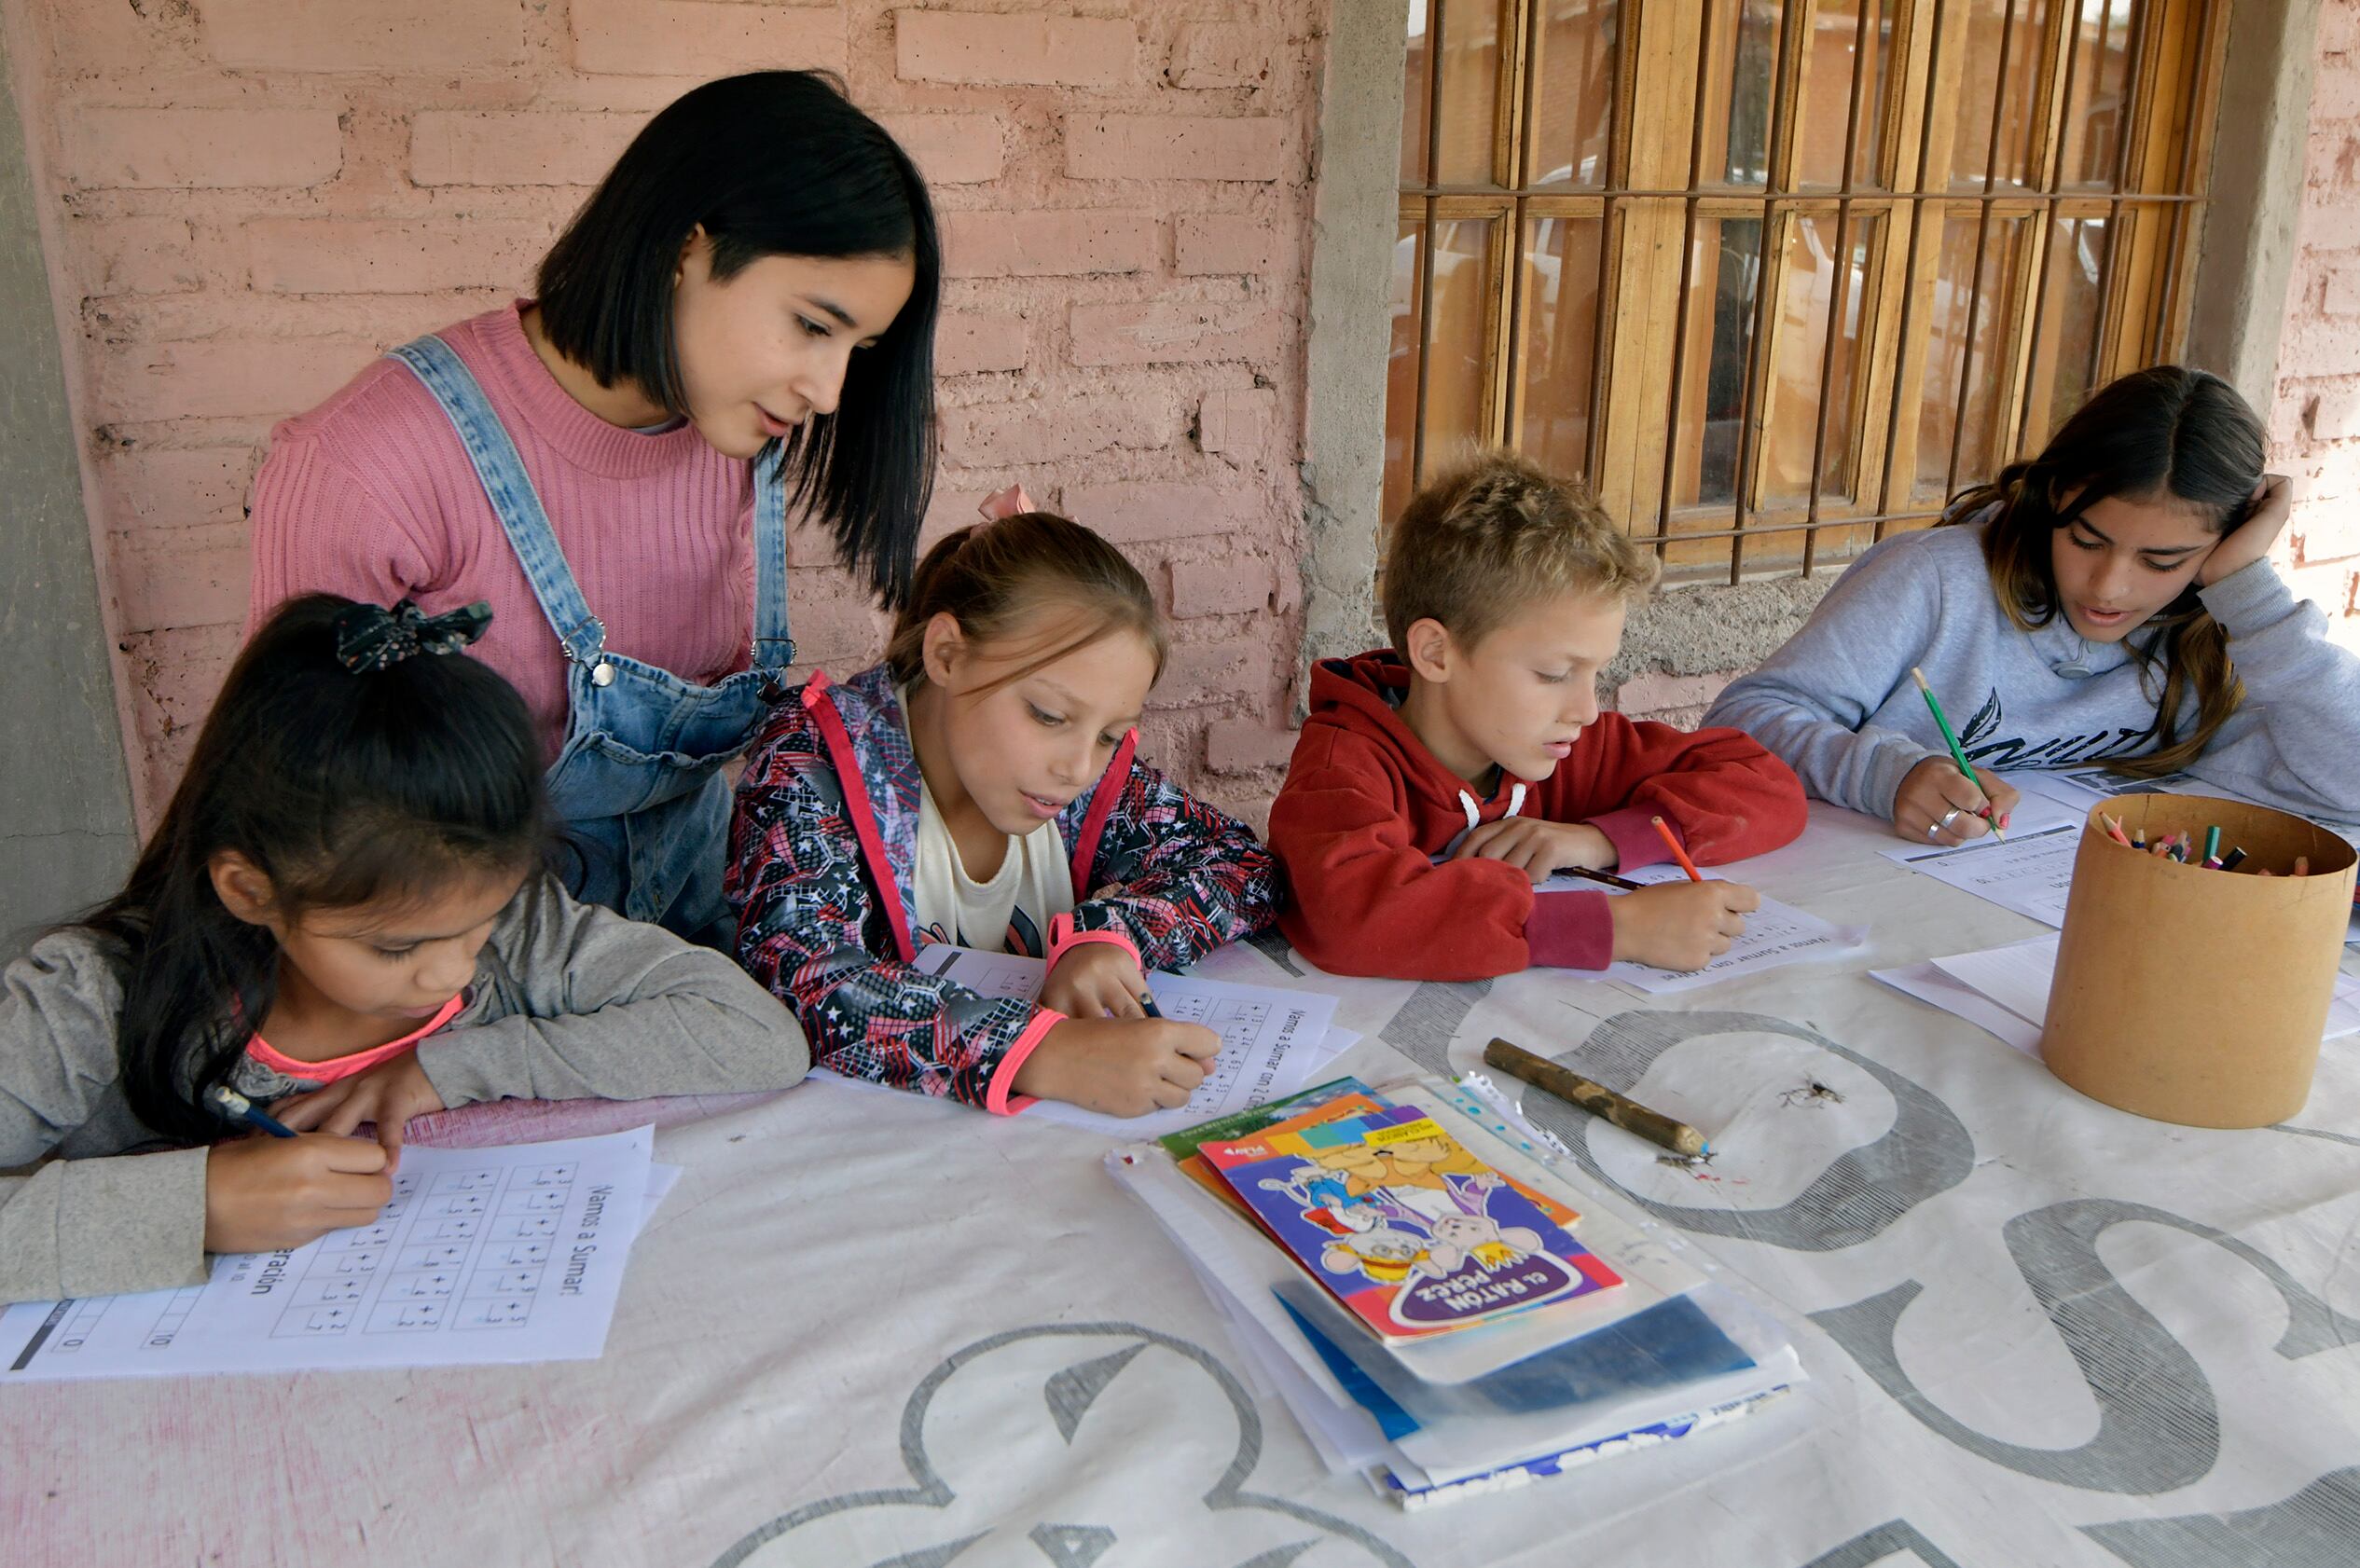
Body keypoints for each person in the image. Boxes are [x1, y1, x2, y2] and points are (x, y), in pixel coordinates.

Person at [247, 71, 942, 941]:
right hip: (466, 976)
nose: (830, 392)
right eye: (811, 325)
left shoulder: (734, 439)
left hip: (694, 949)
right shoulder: (369, 462)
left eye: (858, 349)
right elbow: (303, 825)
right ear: (688, 247)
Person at [0, 596, 807, 1308]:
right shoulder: (92, 1002)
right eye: (397, 948)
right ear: (252, 892)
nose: (453, 973)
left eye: (478, 923)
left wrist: (444, 1069)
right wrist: (195, 1206)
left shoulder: (523, 935)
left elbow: (753, 1035)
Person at [727, 511, 1281, 1119]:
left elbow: (1239, 864)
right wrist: (1046, 1054)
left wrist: (1111, 937)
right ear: (947, 655)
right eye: (1047, 715)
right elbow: (801, 979)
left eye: (1110, 735)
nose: (1077, 768)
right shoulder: (813, 761)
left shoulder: (1091, 783)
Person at [1702, 365, 2360, 843]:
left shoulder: (2223, 628)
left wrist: (2250, 598)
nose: (2108, 587)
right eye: (2085, 540)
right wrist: (1884, 774)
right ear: (2049, 501)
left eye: (2162, 561)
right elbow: (1741, 722)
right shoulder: (1935, 581)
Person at [1266, 450, 1807, 983]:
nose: (1587, 709)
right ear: (1436, 654)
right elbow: (1348, 916)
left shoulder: (1566, 745)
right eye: (1552, 674)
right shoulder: (1344, 767)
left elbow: (1768, 788)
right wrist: (1618, 928)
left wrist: (1597, 840)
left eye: (1596, 672)